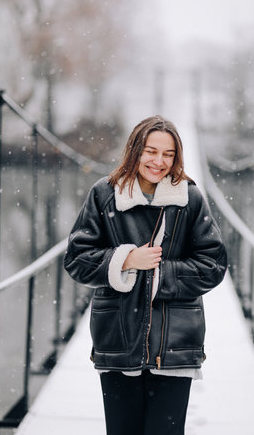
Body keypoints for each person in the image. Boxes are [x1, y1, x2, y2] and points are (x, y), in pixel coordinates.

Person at [64, 115, 227, 435]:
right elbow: (77, 260)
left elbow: (214, 264)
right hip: (119, 336)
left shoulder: (189, 198)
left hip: (175, 342)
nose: (159, 161)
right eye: (151, 151)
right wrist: (125, 259)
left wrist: (159, 273)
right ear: (135, 150)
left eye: (168, 154)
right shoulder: (104, 194)